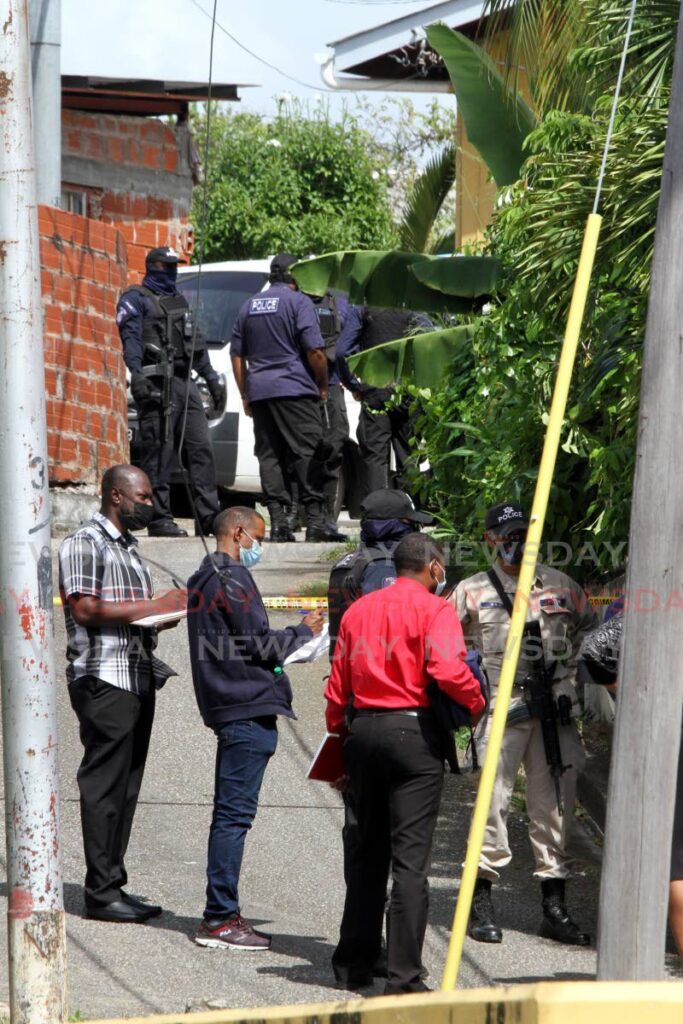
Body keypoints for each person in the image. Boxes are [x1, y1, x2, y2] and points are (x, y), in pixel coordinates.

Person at [325, 533, 485, 994]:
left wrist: (340, 738)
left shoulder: (359, 610)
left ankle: (353, 965)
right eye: (443, 567)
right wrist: (475, 705)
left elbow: (338, 686)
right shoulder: (436, 611)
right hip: (413, 735)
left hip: (363, 732)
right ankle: (403, 977)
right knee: (410, 862)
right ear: (434, 567)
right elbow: (448, 670)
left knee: (365, 853)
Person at [452, 501, 597, 946]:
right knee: (490, 806)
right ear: (489, 539)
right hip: (501, 709)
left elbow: (592, 633)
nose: (516, 543)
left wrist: (571, 681)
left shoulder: (559, 584)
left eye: (522, 534)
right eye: (507, 535)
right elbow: (445, 647)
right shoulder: (472, 591)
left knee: (553, 807)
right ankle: (480, 903)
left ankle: (554, 907)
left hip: (554, 714)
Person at [186, 506, 324, 949]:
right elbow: (260, 644)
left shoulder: (203, 577)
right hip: (245, 710)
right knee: (232, 818)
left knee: (230, 816)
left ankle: (221, 914)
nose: (259, 547)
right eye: (258, 538)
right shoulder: (231, 578)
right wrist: (302, 632)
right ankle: (220, 918)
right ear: (239, 533)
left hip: (231, 706)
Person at [58, 465, 187, 922]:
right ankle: (100, 893)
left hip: (136, 674)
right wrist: (154, 607)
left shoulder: (130, 550)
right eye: (143, 497)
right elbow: (87, 608)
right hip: (103, 676)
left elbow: (130, 612)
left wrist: (164, 614)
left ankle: (113, 884)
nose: (149, 505)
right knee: (104, 785)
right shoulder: (84, 543)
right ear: (116, 495)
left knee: (127, 787)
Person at [231, 253, 345, 543]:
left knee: (270, 455)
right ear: (295, 277)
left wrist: (246, 393)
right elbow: (315, 351)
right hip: (295, 389)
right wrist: (321, 383)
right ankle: (316, 522)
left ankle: (279, 523)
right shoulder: (299, 302)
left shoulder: (249, 305)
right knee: (308, 452)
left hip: (260, 392)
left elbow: (237, 355)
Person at [117, 246, 224, 538]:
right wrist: (136, 375)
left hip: (185, 384)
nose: (172, 272)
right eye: (166, 266)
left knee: (201, 450)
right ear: (152, 266)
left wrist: (210, 377)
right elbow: (131, 340)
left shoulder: (179, 301)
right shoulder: (136, 299)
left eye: (175, 266)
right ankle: (159, 517)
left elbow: (195, 343)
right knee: (160, 452)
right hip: (157, 384)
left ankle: (208, 518)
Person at [336, 305, 431, 497]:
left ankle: (376, 516)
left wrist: (354, 384)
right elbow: (429, 340)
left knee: (375, 457)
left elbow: (341, 351)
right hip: (407, 390)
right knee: (408, 454)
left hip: (374, 390)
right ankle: (409, 513)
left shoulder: (362, 308)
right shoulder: (411, 307)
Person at [328, 487, 435, 656]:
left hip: (349, 668)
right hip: (378, 672)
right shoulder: (384, 567)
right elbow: (389, 628)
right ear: (399, 525)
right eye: (413, 523)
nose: (417, 529)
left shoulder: (348, 561)